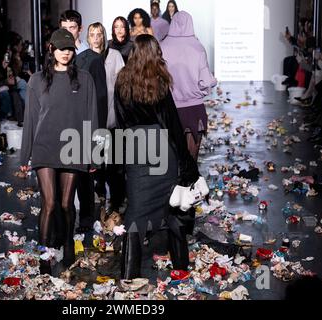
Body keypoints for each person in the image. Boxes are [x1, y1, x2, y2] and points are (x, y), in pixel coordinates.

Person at [114, 34, 200, 279]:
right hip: (162, 150)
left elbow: (120, 123)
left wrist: (122, 163)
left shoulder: (122, 81)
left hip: (136, 150)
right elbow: (172, 124)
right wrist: (187, 166)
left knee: (134, 214)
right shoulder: (159, 82)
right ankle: (181, 268)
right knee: (172, 213)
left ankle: (128, 277)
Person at [20, 29, 99, 271]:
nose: (65, 53)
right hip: (44, 147)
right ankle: (44, 260)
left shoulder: (84, 79)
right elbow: (31, 119)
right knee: (50, 203)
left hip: (73, 147)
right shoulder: (37, 80)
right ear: (51, 49)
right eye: (61, 48)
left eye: (69, 49)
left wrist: (94, 152)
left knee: (66, 205)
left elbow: (92, 117)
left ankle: (66, 248)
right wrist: (25, 155)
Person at [60, 10, 108, 232]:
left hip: (85, 126)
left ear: (80, 29)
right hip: (61, 123)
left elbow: (100, 97)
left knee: (84, 177)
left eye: (72, 28)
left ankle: (86, 222)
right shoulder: (56, 55)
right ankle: (65, 222)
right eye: (64, 28)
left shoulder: (93, 58)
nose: (68, 32)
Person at [161, 11, 217, 161]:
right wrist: (209, 84)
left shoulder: (162, 47)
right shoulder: (197, 47)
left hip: (170, 108)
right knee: (191, 161)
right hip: (194, 108)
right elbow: (205, 82)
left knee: (172, 160)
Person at [87, 22, 126, 213]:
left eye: (98, 33)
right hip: (94, 119)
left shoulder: (115, 56)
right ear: (88, 38)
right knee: (98, 164)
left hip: (112, 117)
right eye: (92, 34)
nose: (95, 37)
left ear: (104, 36)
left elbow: (122, 84)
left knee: (115, 165)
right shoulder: (84, 59)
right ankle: (100, 198)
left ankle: (117, 202)